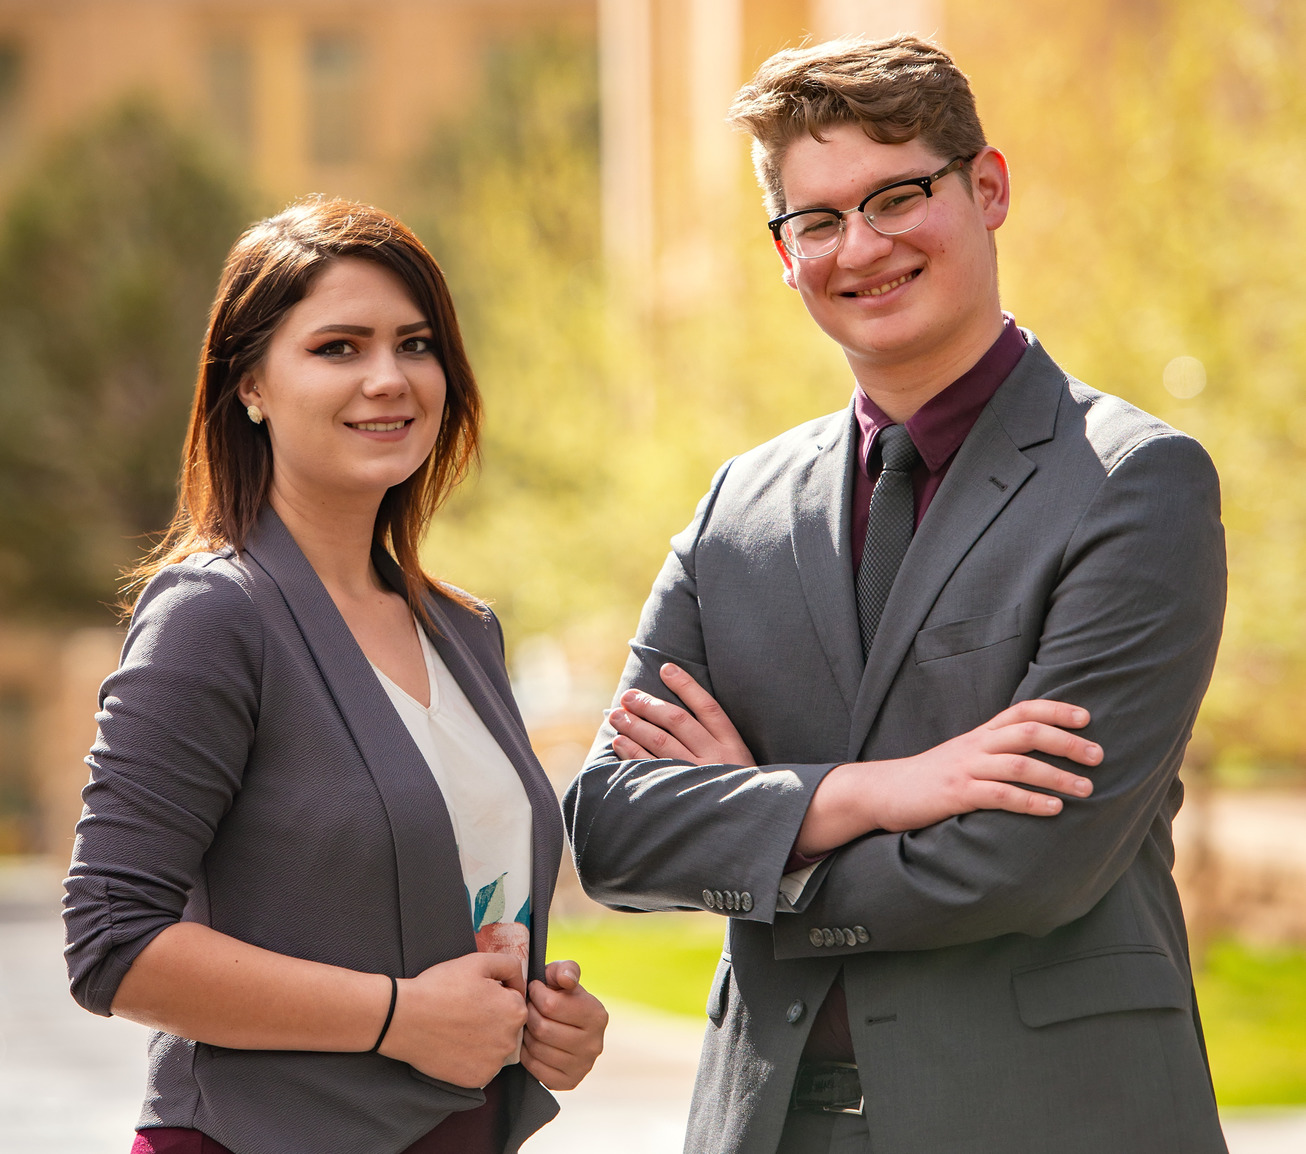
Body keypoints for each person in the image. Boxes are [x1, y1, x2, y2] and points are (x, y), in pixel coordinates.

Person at [564, 35, 1226, 1154]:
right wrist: (878, 790)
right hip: (767, 1126)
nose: (858, 246)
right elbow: (613, 828)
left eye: (896, 196)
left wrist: (760, 836)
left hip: (1046, 1120)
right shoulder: (742, 504)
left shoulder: (1131, 482)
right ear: (784, 253)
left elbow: (1027, 861)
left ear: (988, 188)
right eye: (816, 220)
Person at [63, 197, 607, 1154]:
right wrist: (398, 1016)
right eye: (339, 348)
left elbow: (460, 911)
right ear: (250, 387)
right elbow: (112, 938)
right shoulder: (215, 615)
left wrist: (542, 1026)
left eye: (417, 343)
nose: (389, 379)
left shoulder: (466, 632)